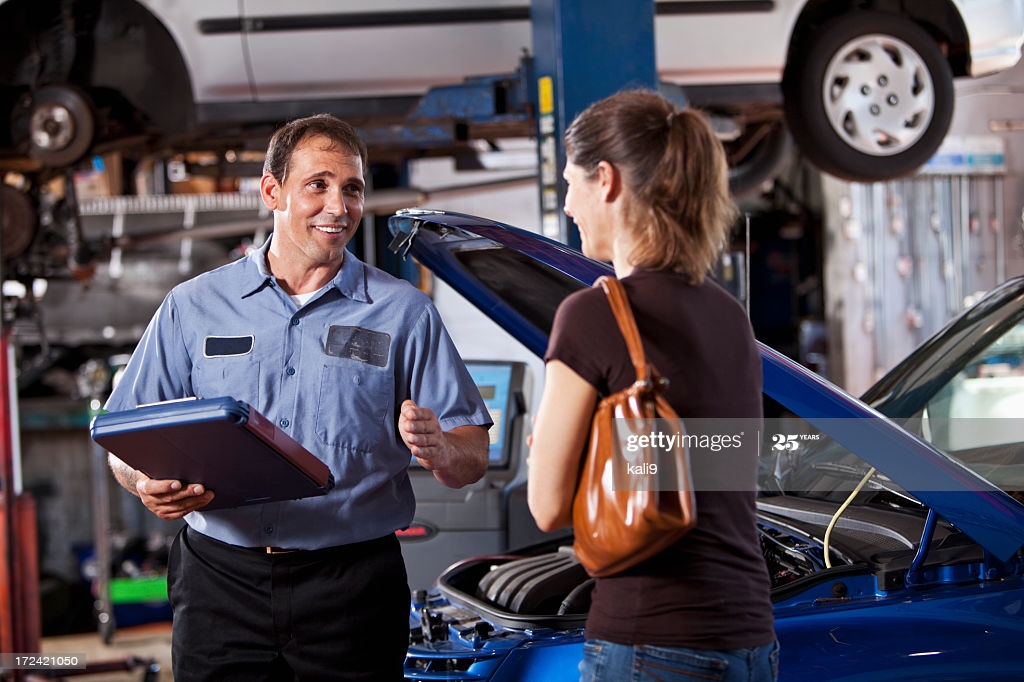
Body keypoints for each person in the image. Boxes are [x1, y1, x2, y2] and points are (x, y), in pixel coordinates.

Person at [105, 113, 492, 681]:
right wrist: (144, 483)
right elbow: (124, 437)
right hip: (220, 583)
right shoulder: (192, 307)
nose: (338, 207)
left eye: (352, 189)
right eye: (318, 185)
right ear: (272, 191)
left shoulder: (404, 313)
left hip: (352, 589)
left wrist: (440, 450)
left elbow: (472, 456)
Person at [527, 90, 778, 682]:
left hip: (653, 641)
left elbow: (546, 506)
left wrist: (564, 449)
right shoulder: (728, 315)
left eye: (571, 183)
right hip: (749, 639)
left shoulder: (594, 316)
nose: (567, 205)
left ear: (607, 181)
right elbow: (722, 459)